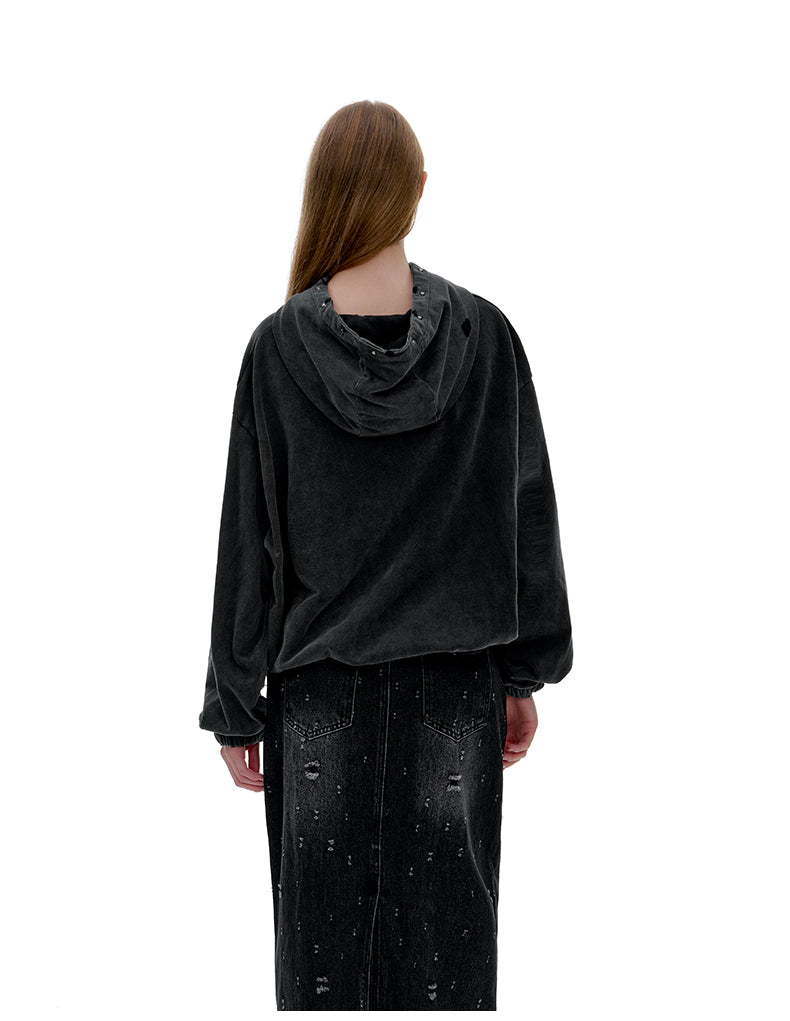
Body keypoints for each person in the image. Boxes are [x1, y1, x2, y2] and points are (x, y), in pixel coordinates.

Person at [198, 99, 573, 1011]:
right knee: (448, 973)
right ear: (418, 190)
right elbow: (525, 512)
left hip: (320, 702)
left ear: (323, 194)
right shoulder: (489, 337)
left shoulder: (277, 349)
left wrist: (236, 704)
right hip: (456, 699)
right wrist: (523, 673)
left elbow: (249, 538)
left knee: (323, 976)